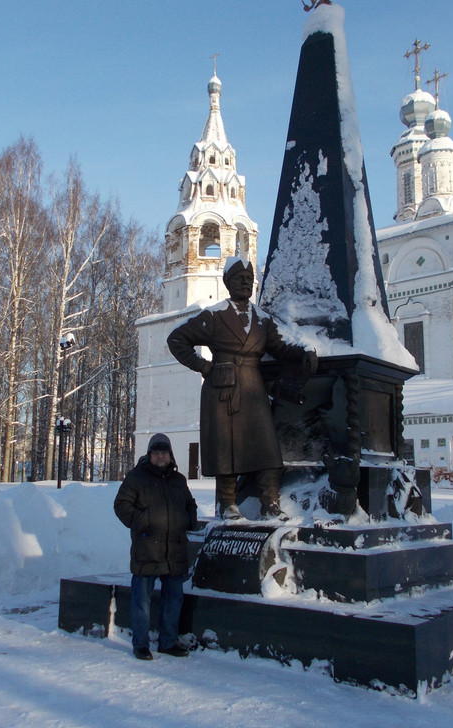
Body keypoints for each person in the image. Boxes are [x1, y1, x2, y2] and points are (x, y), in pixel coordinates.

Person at [167, 257, 316, 520]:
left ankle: (270, 504)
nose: (246, 283)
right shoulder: (214, 315)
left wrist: (303, 352)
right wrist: (204, 367)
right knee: (226, 449)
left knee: (267, 448)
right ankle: (227, 504)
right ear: (228, 283)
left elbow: (279, 347)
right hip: (222, 389)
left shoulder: (261, 318)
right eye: (239, 278)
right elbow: (177, 339)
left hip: (253, 387)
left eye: (249, 278)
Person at [113, 432, 198, 660]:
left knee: (173, 600)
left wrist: (188, 520)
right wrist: (143, 522)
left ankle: (168, 642)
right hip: (147, 548)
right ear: (149, 454)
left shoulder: (178, 480)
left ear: (170, 455)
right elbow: (121, 505)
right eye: (157, 452)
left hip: (174, 549)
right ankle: (140, 645)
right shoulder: (136, 478)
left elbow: (190, 504)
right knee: (142, 601)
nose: (161, 456)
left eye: (165, 452)